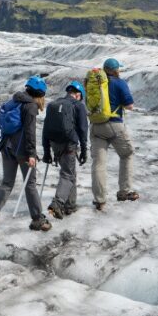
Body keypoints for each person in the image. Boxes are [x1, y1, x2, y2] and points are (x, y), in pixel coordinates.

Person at [0, 76, 52, 232]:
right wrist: (32, 155)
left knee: (7, 182)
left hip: (6, 147)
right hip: (22, 151)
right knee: (30, 184)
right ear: (40, 93)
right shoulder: (30, 106)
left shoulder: (13, 101)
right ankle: (38, 219)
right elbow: (30, 133)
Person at [90, 58, 139, 210]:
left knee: (99, 163)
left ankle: (100, 200)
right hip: (114, 125)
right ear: (116, 70)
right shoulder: (119, 83)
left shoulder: (95, 83)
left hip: (96, 125)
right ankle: (125, 191)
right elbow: (129, 105)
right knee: (127, 154)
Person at [42, 81, 88, 219]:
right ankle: (58, 203)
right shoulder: (78, 105)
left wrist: (46, 151)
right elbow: (82, 129)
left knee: (70, 172)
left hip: (54, 143)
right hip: (69, 144)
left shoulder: (53, 104)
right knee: (67, 174)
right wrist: (84, 150)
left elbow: (45, 129)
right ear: (78, 94)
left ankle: (70, 206)